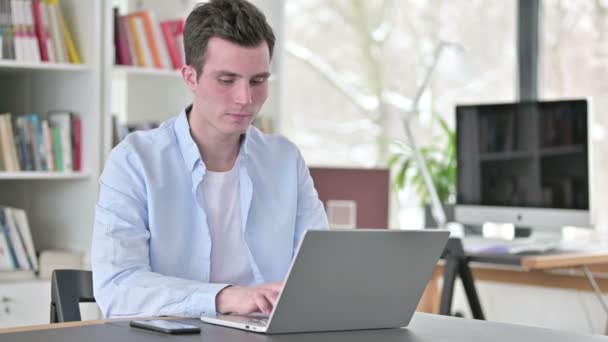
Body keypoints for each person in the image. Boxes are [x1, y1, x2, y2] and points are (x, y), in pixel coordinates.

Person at [92, 0, 328, 318]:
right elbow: (117, 288)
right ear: (190, 77)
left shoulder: (285, 161)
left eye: (258, 81)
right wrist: (224, 297)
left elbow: (319, 273)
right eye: (227, 80)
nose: (245, 98)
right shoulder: (134, 162)